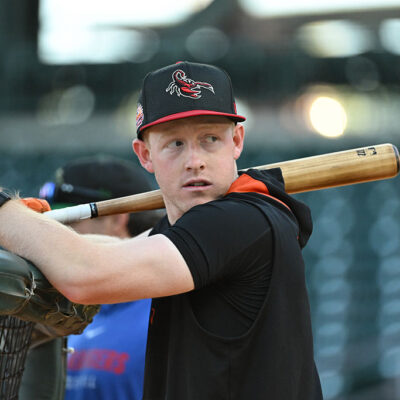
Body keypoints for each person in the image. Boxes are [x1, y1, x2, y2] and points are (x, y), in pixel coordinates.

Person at [0, 61, 323, 399]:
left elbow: (85, 274)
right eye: (175, 144)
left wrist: (4, 208)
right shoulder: (185, 227)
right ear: (145, 155)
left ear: (236, 141)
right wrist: (30, 225)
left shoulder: (242, 220)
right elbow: (112, 249)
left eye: (210, 138)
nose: (194, 160)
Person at [41, 155, 162, 400]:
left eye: (67, 220)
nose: (54, 236)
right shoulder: (53, 307)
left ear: (117, 219)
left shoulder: (172, 310)